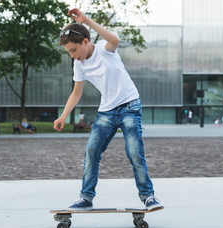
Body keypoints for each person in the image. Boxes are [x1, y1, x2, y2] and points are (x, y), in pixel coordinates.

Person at [53, 8, 163, 211]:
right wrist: (63, 115)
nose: (73, 56)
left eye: (74, 50)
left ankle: (148, 196)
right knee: (92, 151)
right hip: (107, 111)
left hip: (129, 105)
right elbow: (76, 93)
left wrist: (86, 21)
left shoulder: (105, 48)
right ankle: (85, 198)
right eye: (69, 52)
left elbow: (115, 39)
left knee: (134, 152)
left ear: (85, 42)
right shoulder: (80, 65)